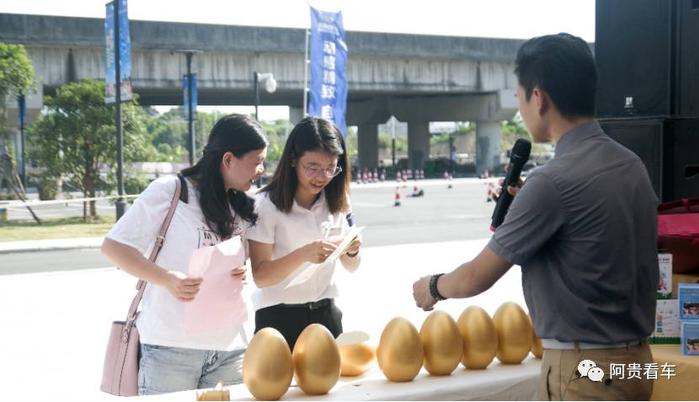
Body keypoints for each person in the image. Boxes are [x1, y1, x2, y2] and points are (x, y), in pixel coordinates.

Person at [412, 33, 658, 400]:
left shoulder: (552, 182)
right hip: (637, 362)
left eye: (519, 97)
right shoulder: (630, 164)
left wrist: (432, 287)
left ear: (539, 98)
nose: (521, 108)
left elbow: (477, 277)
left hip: (584, 371)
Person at [101, 114, 267, 395]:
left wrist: (239, 271)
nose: (262, 169)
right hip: (171, 350)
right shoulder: (171, 191)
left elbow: (234, 261)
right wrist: (167, 279)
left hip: (230, 348)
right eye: (257, 161)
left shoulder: (240, 205)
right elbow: (114, 247)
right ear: (228, 160)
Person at [246, 117, 361, 349]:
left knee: (330, 385)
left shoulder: (338, 201)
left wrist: (351, 251)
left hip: (326, 314)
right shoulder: (265, 205)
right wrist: (304, 254)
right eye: (312, 168)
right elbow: (261, 276)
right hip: (278, 318)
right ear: (292, 161)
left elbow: (353, 266)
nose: (321, 177)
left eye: (330, 168)